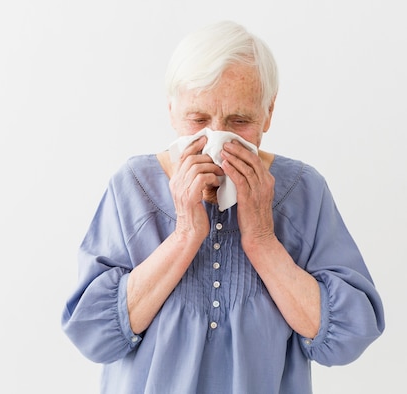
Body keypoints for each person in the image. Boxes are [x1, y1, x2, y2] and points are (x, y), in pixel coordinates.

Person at [61, 20, 385, 394]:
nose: (216, 139)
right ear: (171, 110)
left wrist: (263, 238)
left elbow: (347, 338)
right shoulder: (132, 187)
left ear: (268, 113)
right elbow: (93, 336)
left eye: (240, 121)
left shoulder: (304, 191)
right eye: (198, 119)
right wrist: (185, 234)